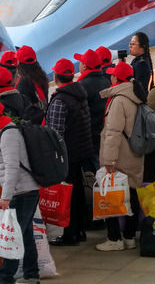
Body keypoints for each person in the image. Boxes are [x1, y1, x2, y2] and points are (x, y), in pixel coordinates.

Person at [95, 62, 147, 252]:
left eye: (113, 76)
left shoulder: (118, 101)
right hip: (135, 153)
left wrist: (108, 161)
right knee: (132, 195)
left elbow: (113, 132)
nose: (110, 78)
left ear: (116, 79)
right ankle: (130, 237)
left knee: (111, 196)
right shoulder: (137, 95)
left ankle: (114, 238)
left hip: (120, 156)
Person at [45, 59, 94, 247]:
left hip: (67, 154)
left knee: (68, 193)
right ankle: (79, 229)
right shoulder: (79, 94)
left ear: (56, 77)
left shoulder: (60, 100)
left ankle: (70, 232)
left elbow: (55, 134)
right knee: (78, 190)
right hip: (81, 149)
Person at [0, 102, 40, 284]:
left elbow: (12, 168)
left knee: (12, 237)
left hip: (22, 192)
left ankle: (5, 277)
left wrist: (6, 196)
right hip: (23, 191)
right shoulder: (5, 131)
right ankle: (31, 275)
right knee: (25, 234)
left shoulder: (9, 134)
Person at [75, 49, 110, 158]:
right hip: (104, 132)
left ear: (84, 66)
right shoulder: (106, 81)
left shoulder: (81, 86)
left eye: (80, 63)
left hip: (91, 138)